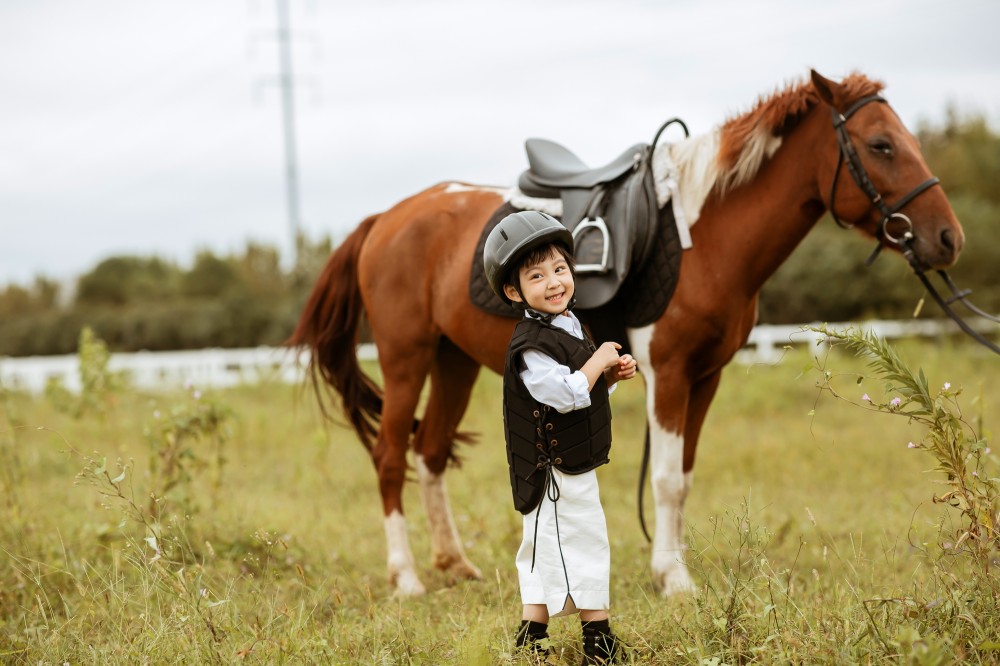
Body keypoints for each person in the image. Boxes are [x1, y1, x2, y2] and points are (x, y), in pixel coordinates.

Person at [483, 210, 637, 665]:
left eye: (559, 269)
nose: (554, 282)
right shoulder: (530, 346)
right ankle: (598, 644)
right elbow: (566, 394)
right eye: (537, 276)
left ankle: (531, 643)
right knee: (580, 545)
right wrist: (598, 360)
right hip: (552, 472)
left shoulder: (569, 325)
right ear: (514, 292)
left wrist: (609, 376)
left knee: (545, 552)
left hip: (571, 466)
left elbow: (583, 390)